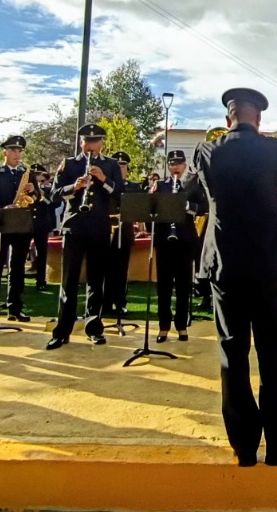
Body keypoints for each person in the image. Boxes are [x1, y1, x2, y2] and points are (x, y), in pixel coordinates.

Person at [182, 87, 277, 467]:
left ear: (227, 119)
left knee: (232, 353)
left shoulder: (207, 150)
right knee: (274, 352)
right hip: (269, 263)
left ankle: (245, 446)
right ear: (260, 119)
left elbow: (193, 195)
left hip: (226, 264)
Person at [47, 124, 124, 349]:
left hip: (100, 227)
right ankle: (62, 331)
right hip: (74, 227)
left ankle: (94, 328)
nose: (90, 145)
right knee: (68, 281)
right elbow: (53, 194)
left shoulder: (110, 165)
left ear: (102, 143)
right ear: (80, 142)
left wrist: (103, 180)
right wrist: (74, 186)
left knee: (96, 281)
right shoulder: (69, 164)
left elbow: (120, 194)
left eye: (95, 141)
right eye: (86, 141)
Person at [0, 135, 37, 327]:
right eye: (13, 150)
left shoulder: (26, 173)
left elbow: (38, 197)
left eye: (19, 151)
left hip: (20, 225)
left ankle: (15, 307)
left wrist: (33, 191)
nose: (17, 154)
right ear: (5, 152)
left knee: (17, 268)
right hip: (1, 224)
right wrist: (3, 207)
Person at [153, 149, 198, 342]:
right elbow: (151, 210)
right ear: (168, 166)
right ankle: (164, 325)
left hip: (185, 239)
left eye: (179, 163)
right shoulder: (160, 185)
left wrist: (188, 207)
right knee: (163, 285)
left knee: (183, 284)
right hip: (164, 239)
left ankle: (181, 325)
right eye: (172, 163)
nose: (176, 167)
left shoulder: (192, 183)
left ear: (185, 165)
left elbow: (203, 206)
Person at [105, 150, 144, 319]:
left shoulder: (133, 187)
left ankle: (120, 302)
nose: (121, 169)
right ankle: (104, 302)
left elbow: (139, 209)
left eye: (123, 166)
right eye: (117, 166)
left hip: (124, 231)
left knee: (121, 270)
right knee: (105, 269)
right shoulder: (105, 186)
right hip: (106, 232)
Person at [29, 164, 57, 292]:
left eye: (39, 174)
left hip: (42, 224)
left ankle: (41, 280)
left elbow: (52, 204)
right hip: (28, 223)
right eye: (34, 174)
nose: (37, 177)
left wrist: (42, 195)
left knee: (42, 253)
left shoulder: (48, 189)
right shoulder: (27, 187)